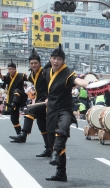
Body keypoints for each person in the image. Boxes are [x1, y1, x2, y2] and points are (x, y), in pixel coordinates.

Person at [44, 44, 89, 181]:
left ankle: (56, 153)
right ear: (50, 58)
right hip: (51, 110)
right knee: (55, 142)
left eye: (59, 59)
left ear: (63, 61)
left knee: (62, 130)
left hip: (64, 110)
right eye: (54, 58)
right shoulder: (47, 71)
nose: (56, 61)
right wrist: (46, 98)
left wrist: (87, 82)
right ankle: (61, 173)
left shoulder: (68, 73)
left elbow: (78, 81)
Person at [9, 49, 51, 157]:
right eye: (31, 63)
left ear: (40, 63)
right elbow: (23, 78)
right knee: (42, 125)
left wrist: (49, 97)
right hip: (38, 101)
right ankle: (49, 149)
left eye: (35, 63)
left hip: (46, 101)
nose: (33, 65)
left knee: (30, 111)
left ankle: (23, 134)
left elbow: (53, 83)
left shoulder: (45, 72)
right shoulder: (32, 75)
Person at [0, 60, 28, 136]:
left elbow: (28, 78)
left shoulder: (21, 75)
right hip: (12, 100)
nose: (11, 70)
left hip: (20, 97)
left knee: (16, 91)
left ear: (15, 69)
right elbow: (2, 77)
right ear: (8, 69)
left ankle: (13, 104)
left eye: (13, 69)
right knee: (13, 119)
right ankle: (20, 134)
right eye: (10, 69)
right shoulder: (8, 76)